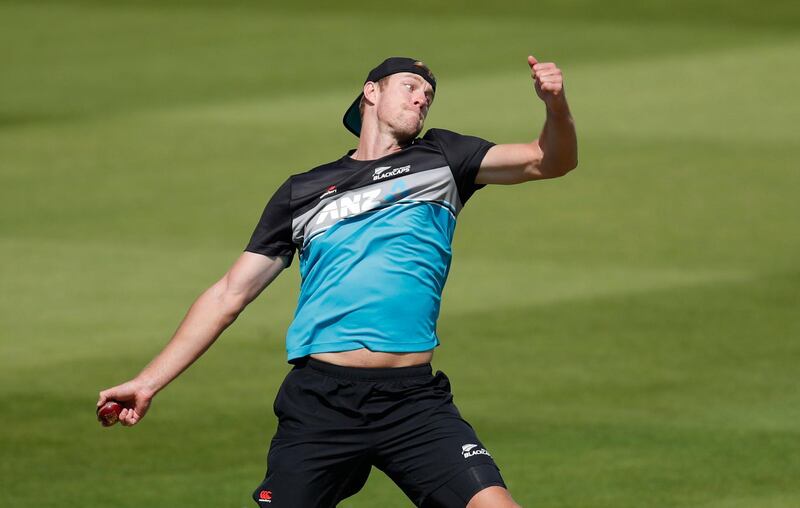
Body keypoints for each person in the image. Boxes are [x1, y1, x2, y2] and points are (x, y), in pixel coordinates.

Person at [98, 55, 577, 508]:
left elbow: (549, 160)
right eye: (410, 87)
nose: (421, 99)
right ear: (371, 92)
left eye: (428, 95)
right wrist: (147, 381)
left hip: (412, 402)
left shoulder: (444, 157)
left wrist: (555, 105)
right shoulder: (303, 191)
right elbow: (230, 294)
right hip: (321, 403)